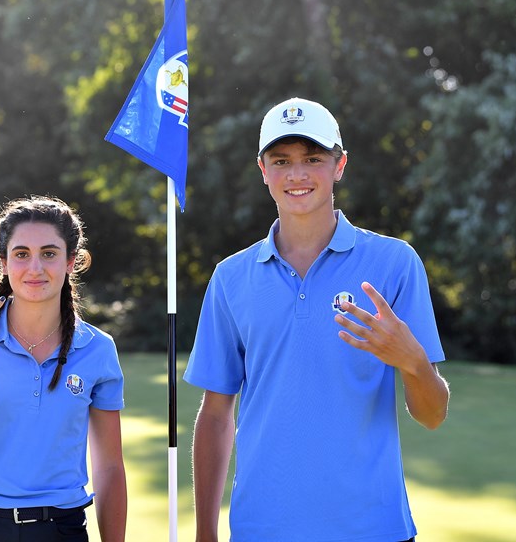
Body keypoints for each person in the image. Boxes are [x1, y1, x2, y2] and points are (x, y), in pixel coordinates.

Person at [184, 97, 450, 542]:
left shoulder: (395, 263)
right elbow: (215, 416)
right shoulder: (231, 277)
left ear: (339, 165)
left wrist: (413, 361)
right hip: (260, 530)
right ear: (262, 169)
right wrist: (205, 534)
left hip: (373, 529)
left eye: (313, 159)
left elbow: (433, 415)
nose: (297, 174)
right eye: (282, 160)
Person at [0, 195, 127, 542]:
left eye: (49, 253)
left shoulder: (98, 349)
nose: (35, 267)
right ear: (3, 262)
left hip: (61, 529)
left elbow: (109, 467)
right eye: (22, 254)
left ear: (71, 262)